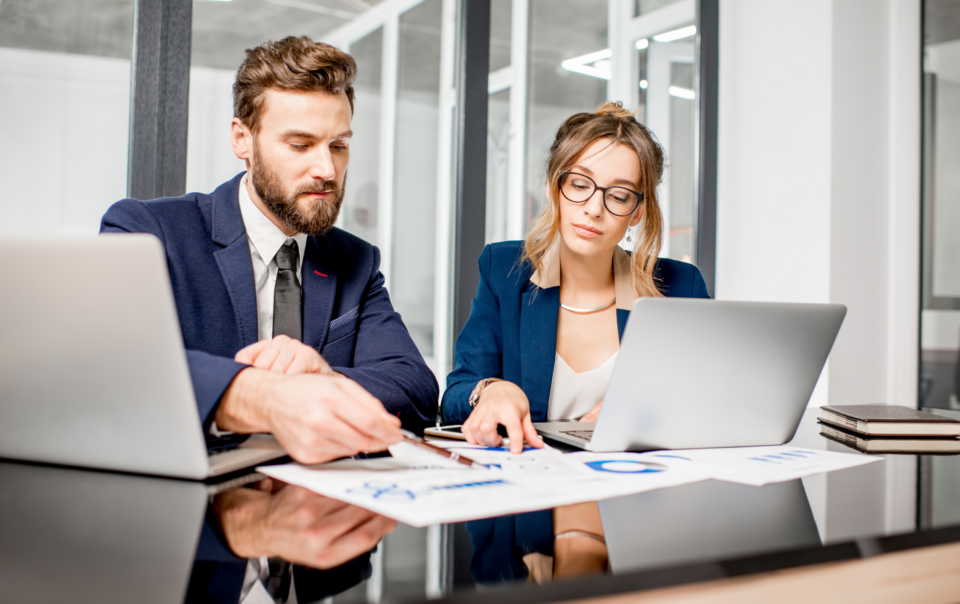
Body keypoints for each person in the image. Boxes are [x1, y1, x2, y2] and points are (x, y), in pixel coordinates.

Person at [101, 36, 438, 464]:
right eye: (299, 145)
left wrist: (327, 376)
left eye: (339, 145)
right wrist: (262, 396)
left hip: (325, 506)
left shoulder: (356, 259)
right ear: (243, 139)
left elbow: (417, 391)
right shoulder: (149, 231)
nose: (326, 170)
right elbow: (114, 362)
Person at [443, 102, 710, 454]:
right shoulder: (505, 269)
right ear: (557, 186)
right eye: (580, 184)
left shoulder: (681, 285)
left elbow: (710, 398)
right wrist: (489, 390)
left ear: (636, 212)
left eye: (618, 195)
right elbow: (455, 396)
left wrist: (650, 413)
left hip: (634, 487)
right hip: (534, 489)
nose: (594, 208)